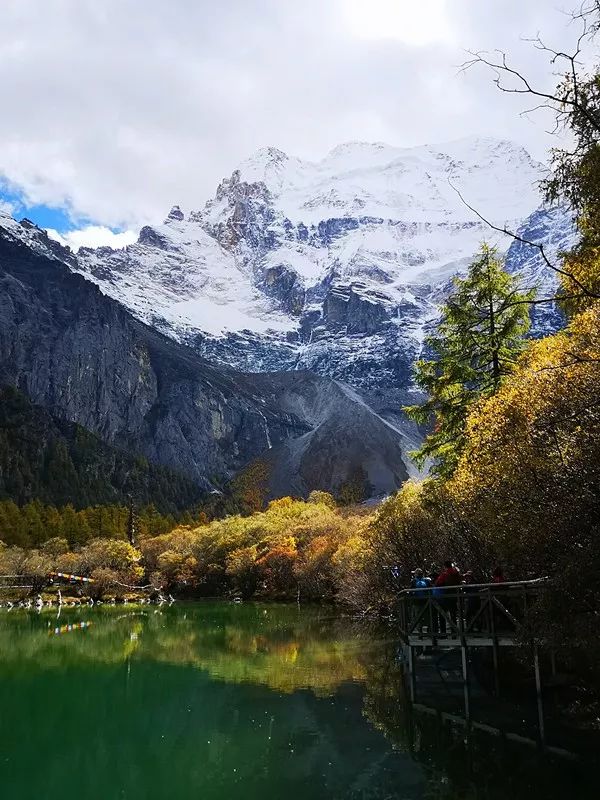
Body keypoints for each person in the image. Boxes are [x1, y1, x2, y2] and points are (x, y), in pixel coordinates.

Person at [434, 560, 461, 633]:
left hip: (446, 596)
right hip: (455, 595)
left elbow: (437, 583)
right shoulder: (457, 573)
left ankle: (443, 633)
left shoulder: (445, 574)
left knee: (442, 614)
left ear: (445, 566)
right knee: (453, 615)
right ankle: (454, 632)